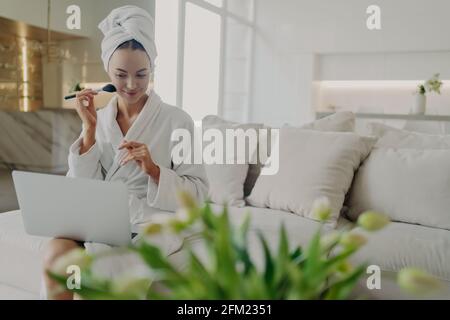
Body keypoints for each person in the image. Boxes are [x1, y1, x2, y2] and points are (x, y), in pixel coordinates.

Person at [41, 5, 208, 300]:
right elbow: (81, 187)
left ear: (152, 69)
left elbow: (199, 194)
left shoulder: (176, 120)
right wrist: (89, 130)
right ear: (107, 70)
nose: (131, 85)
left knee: (109, 269)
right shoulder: (101, 119)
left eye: (141, 74)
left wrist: (154, 170)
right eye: (121, 74)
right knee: (56, 253)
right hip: (102, 221)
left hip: (151, 222)